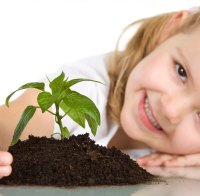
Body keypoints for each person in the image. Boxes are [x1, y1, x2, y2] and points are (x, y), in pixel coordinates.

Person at [1, 7, 200, 179]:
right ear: (170, 31)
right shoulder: (90, 88)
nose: (170, 109)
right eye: (181, 72)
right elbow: (25, 117)